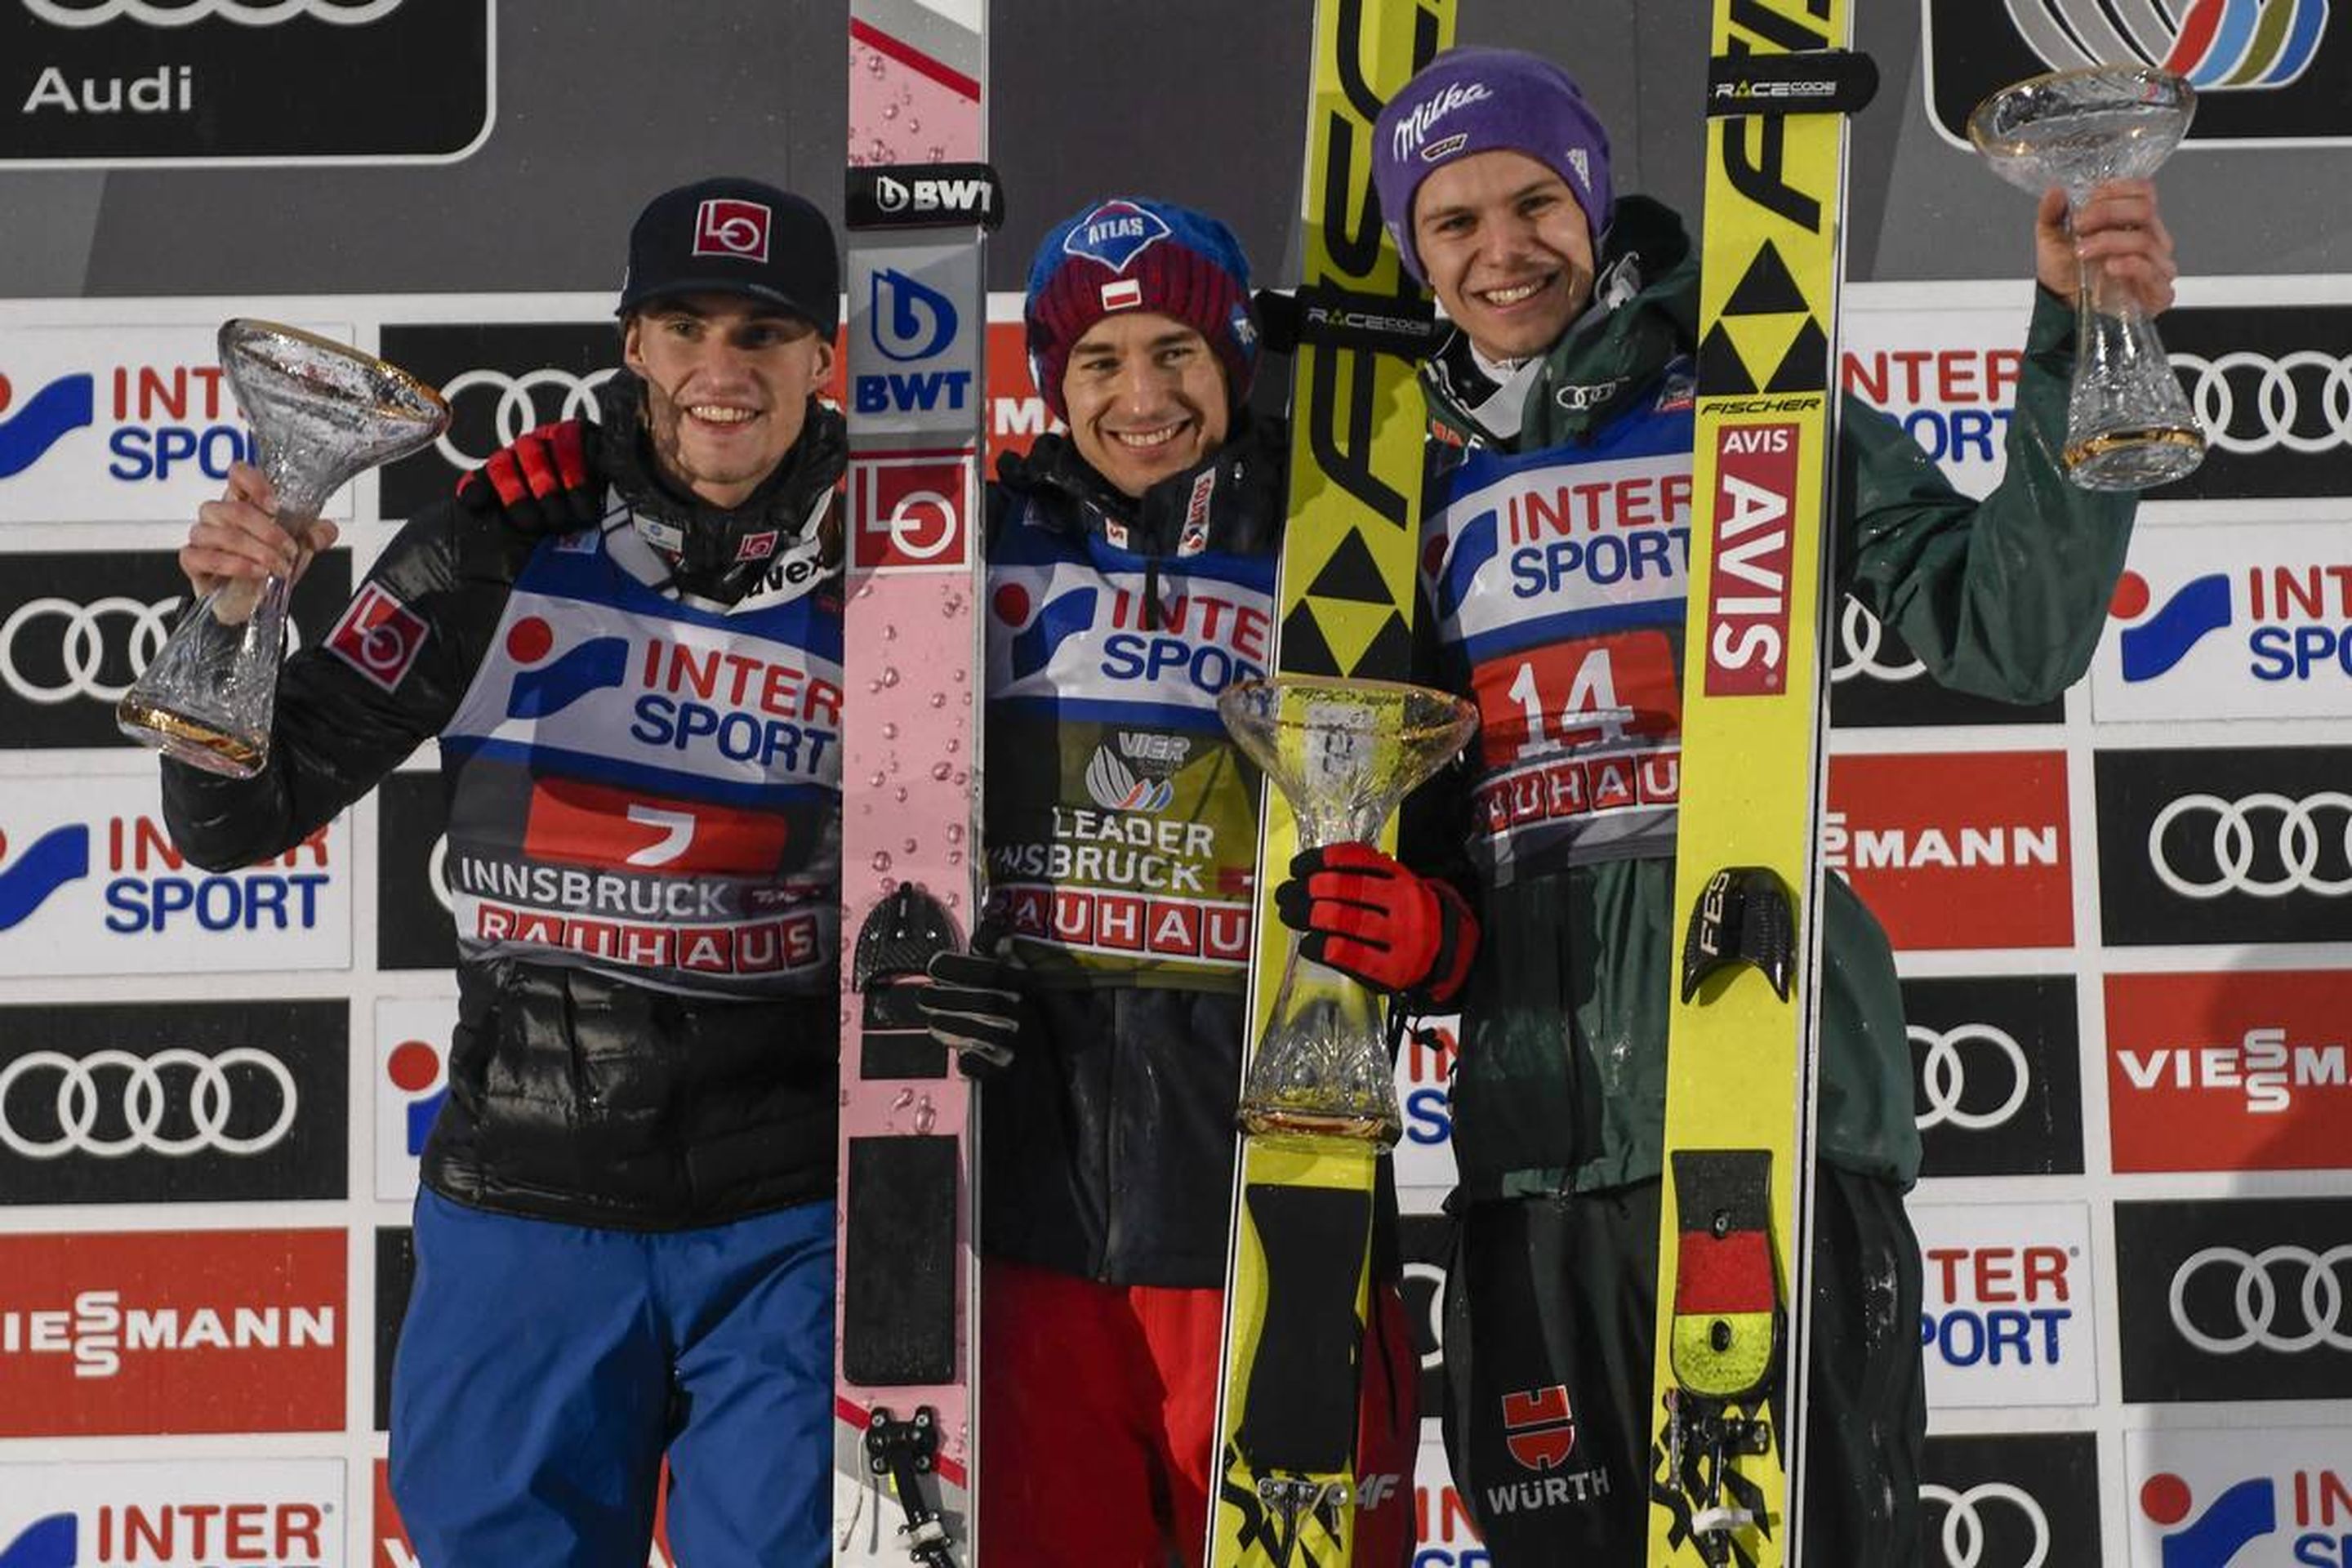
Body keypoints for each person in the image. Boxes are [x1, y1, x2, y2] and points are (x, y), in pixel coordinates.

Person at [1272, 46, 2176, 1564]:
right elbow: (1415, 829)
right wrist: (1425, 934)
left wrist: (2085, 331)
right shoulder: (1390, 476)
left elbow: (2010, 632)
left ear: (1595, 198)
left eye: (1535, 203)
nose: (1502, 251)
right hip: (1529, 1143)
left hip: (1773, 1105)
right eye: (1453, 222)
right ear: (1414, 251)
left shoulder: (1750, 382)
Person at [159, 176, 849, 1567]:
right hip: (527, 1198)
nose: (722, 372)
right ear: (630, 344)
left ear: (825, 357)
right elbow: (235, 818)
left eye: (763, 335)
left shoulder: (916, 556)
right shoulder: (494, 539)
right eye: (685, 327)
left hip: (791, 1217)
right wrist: (230, 616)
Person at [911, 196, 1423, 1566]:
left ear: (1238, 357)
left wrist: (1436, 933)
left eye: (1179, 353)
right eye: (1100, 361)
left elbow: (1462, 812)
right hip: (1026, 1204)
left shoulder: (1348, 544)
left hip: (1275, 1177)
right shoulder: (963, 544)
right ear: (1051, 380)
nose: (1142, 396)